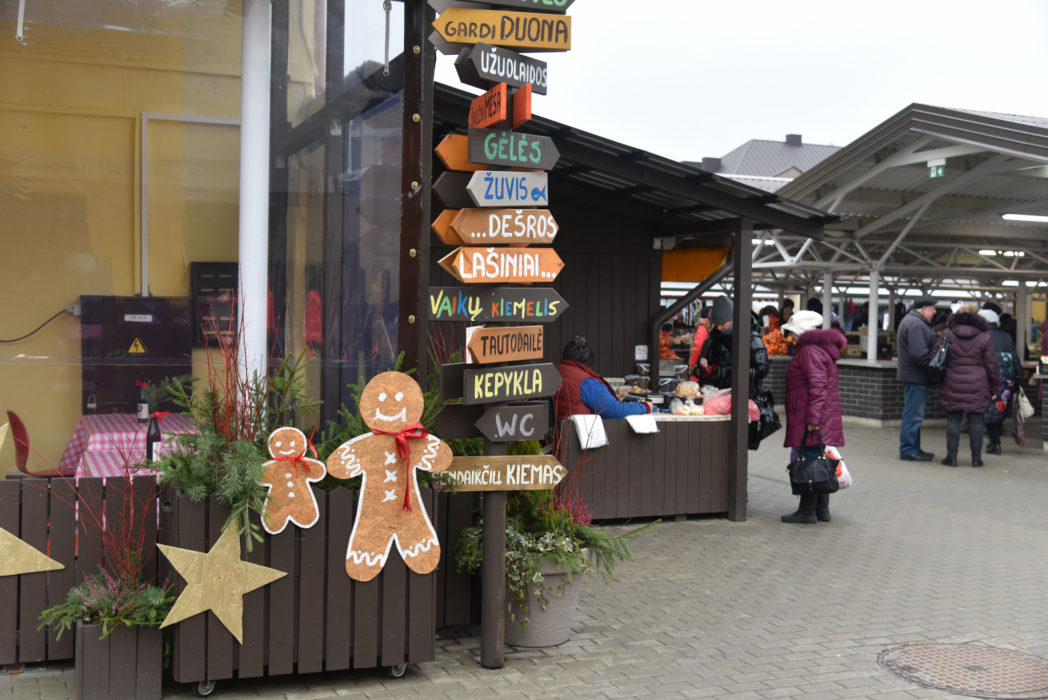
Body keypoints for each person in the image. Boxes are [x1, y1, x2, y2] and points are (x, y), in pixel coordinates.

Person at [779, 311, 847, 524]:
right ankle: (821, 509)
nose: (791, 338)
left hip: (810, 416)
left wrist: (812, 420)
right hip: (817, 415)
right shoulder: (820, 350)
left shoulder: (809, 351)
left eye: (792, 333)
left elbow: (818, 388)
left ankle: (807, 510)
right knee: (819, 460)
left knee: (809, 461)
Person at [931, 304, 998, 467]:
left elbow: (935, 356)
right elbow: (992, 365)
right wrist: (994, 387)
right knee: (976, 421)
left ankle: (951, 458)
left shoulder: (948, 334)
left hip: (953, 379)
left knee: (953, 419)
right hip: (978, 383)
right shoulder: (984, 337)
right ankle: (976, 459)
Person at [554, 336, 653, 422]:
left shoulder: (557, 372)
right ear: (589, 363)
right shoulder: (586, 382)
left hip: (561, 434)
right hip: (579, 439)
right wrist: (645, 406)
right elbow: (616, 411)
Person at [896, 296, 940, 461]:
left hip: (914, 375)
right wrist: (934, 366)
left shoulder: (914, 322)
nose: (935, 311)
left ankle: (913, 447)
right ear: (924, 309)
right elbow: (919, 353)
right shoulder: (916, 324)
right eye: (932, 308)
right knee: (913, 415)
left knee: (913, 414)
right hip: (916, 376)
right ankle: (909, 449)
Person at [698, 295, 769, 392]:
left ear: (733, 321)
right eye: (716, 324)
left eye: (722, 324)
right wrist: (702, 364)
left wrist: (729, 371)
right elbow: (706, 364)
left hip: (746, 395)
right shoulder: (714, 337)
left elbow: (762, 369)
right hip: (719, 393)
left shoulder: (752, 338)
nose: (719, 327)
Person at [979, 308, 1022, 455]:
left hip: (984, 379)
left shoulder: (980, 336)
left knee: (983, 411)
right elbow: (1015, 358)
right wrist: (1019, 378)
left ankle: (989, 442)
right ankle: (995, 442)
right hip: (1005, 381)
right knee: (998, 411)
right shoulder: (1006, 336)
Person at [687, 306, 712, 382]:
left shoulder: (702, 327)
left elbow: (697, 347)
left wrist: (691, 366)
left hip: (699, 367)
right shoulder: (712, 327)